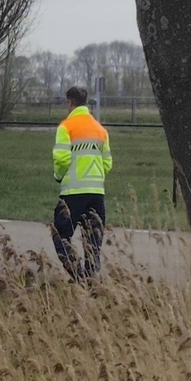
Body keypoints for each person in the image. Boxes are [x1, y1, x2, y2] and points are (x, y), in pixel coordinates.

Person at [51, 86, 113, 281]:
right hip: (96, 192)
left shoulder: (66, 127)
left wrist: (59, 176)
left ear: (70, 102)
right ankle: (91, 280)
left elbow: (61, 159)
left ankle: (76, 275)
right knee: (93, 239)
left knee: (60, 234)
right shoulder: (100, 130)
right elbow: (107, 163)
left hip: (73, 191)